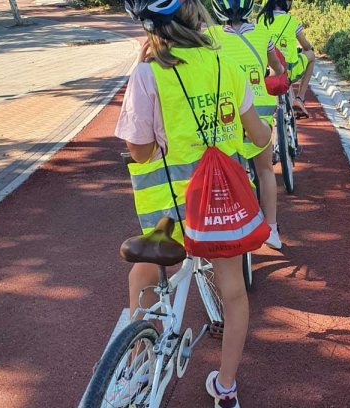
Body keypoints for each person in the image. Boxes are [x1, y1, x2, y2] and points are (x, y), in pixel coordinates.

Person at [116, 0, 272, 407]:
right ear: (197, 16)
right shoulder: (226, 67)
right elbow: (257, 136)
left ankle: (136, 363)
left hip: (170, 211)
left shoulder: (147, 74)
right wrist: (266, 130)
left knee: (144, 279)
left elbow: (141, 151)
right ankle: (226, 386)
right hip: (220, 210)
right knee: (234, 294)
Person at [208, 0, 285, 249]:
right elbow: (277, 67)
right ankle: (271, 229)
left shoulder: (210, 37)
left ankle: (238, 226)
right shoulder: (264, 33)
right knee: (265, 170)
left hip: (227, 111)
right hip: (260, 110)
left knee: (234, 173)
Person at [257, 0, 315, 119]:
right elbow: (306, 46)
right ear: (287, 3)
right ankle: (300, 98)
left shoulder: (261, 19)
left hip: (268, 71)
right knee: (311, 55)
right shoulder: (292, 21)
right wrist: (308, 48)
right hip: (290, 71)